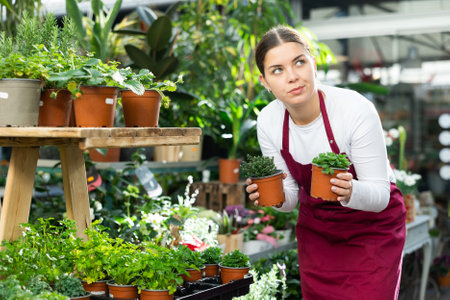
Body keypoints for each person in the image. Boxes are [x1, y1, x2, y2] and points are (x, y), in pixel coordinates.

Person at [245, 25, 406, 300]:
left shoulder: (354, 109)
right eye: (277, 70)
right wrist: (272, 196)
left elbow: (379, 195)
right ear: (265, 82)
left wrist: (350, 190)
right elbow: (292, 199)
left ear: (313, 64)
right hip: (319, 234)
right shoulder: (268, 121)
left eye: (299, 62)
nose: (293, 77)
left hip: (372, 232)